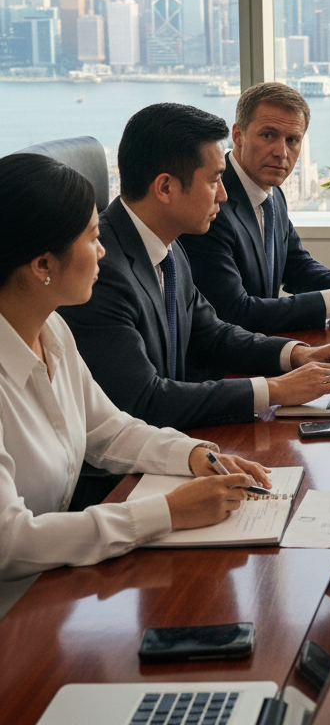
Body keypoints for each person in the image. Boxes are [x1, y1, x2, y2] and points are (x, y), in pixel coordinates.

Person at [0, 153, 271, 618]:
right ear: (43, 263)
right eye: (92, 238)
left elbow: (109, 431)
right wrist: (166, 513)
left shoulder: (52, 331)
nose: (103, 251)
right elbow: (10, 541)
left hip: (52, 597)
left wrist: (191, 454)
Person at [60, 103, 330, 439]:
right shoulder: (101, 271)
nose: (223, 195)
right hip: (124, 473)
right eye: (214, 180)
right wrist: (275, 390)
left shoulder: (169, 245)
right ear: (165, 188)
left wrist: (298, 354)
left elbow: (212, 334)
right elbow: (143, 400)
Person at [179, 82, 330, 333]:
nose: (281, 153)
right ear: (238, 135)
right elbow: (234, 312)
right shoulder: (211, 204)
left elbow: (295, 266)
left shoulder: (272, 193)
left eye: (292, 140)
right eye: (268, 135)